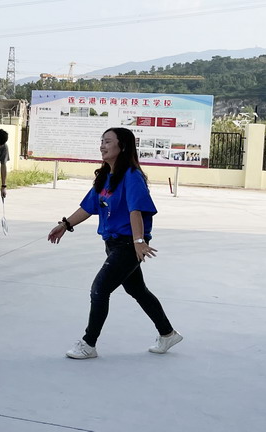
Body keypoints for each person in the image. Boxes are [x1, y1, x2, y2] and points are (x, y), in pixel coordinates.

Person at [48, 127, 182, 359]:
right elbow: (88, 207)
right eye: (102, 141)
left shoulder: (132, 175)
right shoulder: (105, 177)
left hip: (128, 245)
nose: (102, 146)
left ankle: (89, 343)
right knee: (137, 290)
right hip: (112, 243)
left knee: (99, 289)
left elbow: (136, 210)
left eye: (108, 141)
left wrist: (139, 241)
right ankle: (167, 333)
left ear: (123, 146)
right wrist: (65, 224)